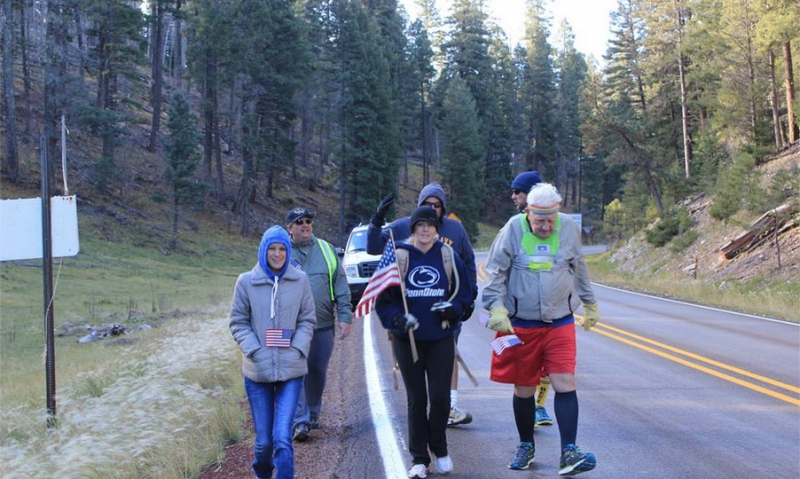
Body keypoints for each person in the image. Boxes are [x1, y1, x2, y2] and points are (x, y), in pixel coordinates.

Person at [482, 183, 600, 476]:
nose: (546, 226)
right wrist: (495, 307)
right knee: (524, 387)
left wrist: (590, 302)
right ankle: (526, 444)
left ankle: (569, 451)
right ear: (528, 213)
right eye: (540, 221)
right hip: (521, 323)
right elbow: (495, 270)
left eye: (551, 220)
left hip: (559, 320)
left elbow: (579, 266)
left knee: (565, 382)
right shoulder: (512, 229)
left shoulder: (569, 228)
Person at [367, 182, 477, 427]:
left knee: (450, 355)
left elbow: (468, 263)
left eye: (437, 205)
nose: (433, 209)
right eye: (428, 205)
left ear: (443, 208)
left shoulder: (456, 230)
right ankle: (422, 412)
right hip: (414, 307)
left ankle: (451, 406)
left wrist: (468, 298)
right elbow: (373, 246)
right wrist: (376, 221)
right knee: (418, 364)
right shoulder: (403, 226)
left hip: (446, 308)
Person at [375, 206, 473, 478]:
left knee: (440, 399)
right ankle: (419, 458)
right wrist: (397, 320)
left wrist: (454, 309)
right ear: (413, 229)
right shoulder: (400, 257)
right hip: (409, 342)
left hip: (441, 338)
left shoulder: (447, 255)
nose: (425, 230)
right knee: (417, 399)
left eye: (430, 225)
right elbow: (383, 301)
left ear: (437, 229)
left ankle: (439, 448)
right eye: (420, 225)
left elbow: (464, 294)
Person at [229, 225, 317, 479]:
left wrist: (298, 347)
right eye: (272, 249)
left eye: (282, 249)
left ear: (288, 251)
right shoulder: (246, 282)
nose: (277, 254)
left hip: (291, 369)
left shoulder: (300, 280)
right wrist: (254, 350)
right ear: (263, 251)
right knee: (264, 443)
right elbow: (238, 321)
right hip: (258, 372)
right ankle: (262, 473)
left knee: (282, 439)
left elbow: (307, 319)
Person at [284, 207, 353, 441]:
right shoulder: (281, 251)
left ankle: (312, 414)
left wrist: (344, 317)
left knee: (317, 371)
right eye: (299, 222)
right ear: (289, 229)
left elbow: (341, 284)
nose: (305, 225)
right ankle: (300, 421)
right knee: (296, 373)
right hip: (291, 328)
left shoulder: (326, 249)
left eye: (308, 221)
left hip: (323, 325)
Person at [510, 171, 554, 429]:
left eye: (519, 191)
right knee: (524, 367)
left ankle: (540, 407)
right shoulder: (514, 225)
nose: (514, 196)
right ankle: (529, 411)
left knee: (548, 365)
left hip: (550, 307)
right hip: (522, 308)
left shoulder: (556, 224)